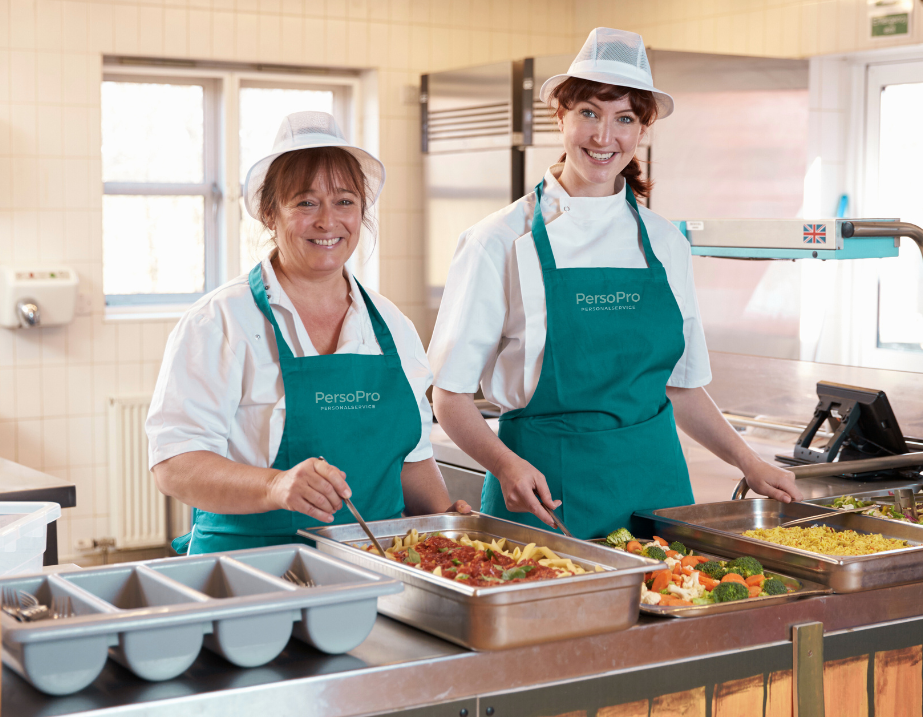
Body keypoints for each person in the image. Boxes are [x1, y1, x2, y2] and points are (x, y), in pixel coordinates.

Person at [428, 28, 802, 540]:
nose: (604, 137)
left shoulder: (665, 242)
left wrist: (749, 463)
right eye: (589, 113)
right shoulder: (497, 241)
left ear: (642, 129)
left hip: (657, 494)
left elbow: (682, 388)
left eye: (624, 118)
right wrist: (506, 465)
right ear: (559, 115)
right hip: (544, 495)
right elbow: (448, 398)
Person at [147, 111, 469, 554]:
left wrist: (448, 526)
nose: (327, 221)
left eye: (344, 201)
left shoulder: (393, 326)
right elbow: (175, 465)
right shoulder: (220, 321)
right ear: (268, 213)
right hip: (252, 570)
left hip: (378, 568)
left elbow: (412, 460)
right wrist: (274, 486)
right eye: (305, 202)